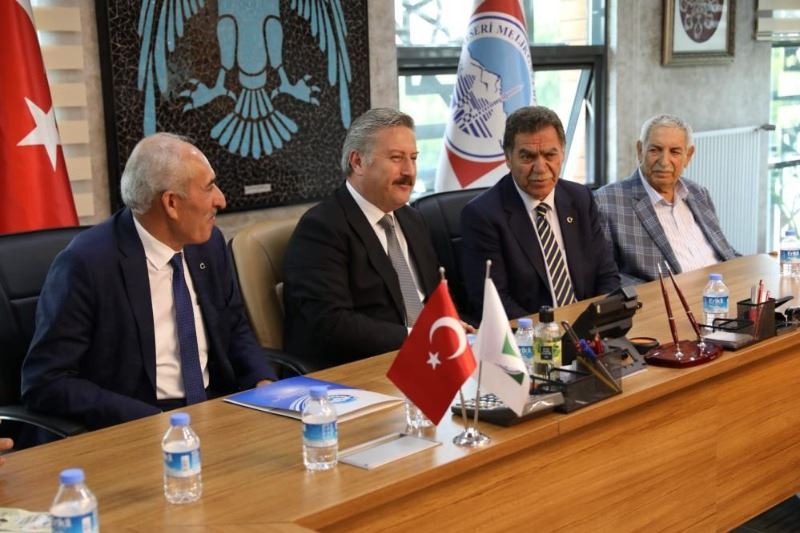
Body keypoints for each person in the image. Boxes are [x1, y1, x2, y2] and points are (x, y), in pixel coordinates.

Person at [21, 133, 276, 434]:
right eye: (209, 187)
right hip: (134, 423)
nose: (220, 199)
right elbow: (46, 381)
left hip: (216, 411)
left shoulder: (209, 245)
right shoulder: (87, 264)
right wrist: (151, 419)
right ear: (171, 203)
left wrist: (262, 381)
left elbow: (233, 327)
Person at [283, 108, 440, 368]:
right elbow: (331, 323)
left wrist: (447, 327)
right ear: (357, 162)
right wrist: (417, 337)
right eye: (396, 158)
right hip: (364, 367)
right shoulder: (321, 228)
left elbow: (434, 295)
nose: (409, 171)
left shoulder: (412, 219)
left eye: (413, 158)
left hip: (431, 357)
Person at [461, 105, 619, 320]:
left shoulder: (580, 198)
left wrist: (598, 321)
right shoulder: (482, 215)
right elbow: (493, 301)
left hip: (588, 326)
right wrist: (549, 332)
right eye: (528, 157)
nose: (540, 167)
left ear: (562, 153)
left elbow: (607, 275)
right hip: (531, 333)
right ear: (508, 158)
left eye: (550, 155)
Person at [594, 114, 737, 284]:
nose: (664, 162)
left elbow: (725, 252)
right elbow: (604, 276)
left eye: (675, 152)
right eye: (655, 150)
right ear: (640, 151)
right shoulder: (607, 202)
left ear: (688, 156)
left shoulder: (698, 193)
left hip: (724, 288)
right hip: (672, 297)